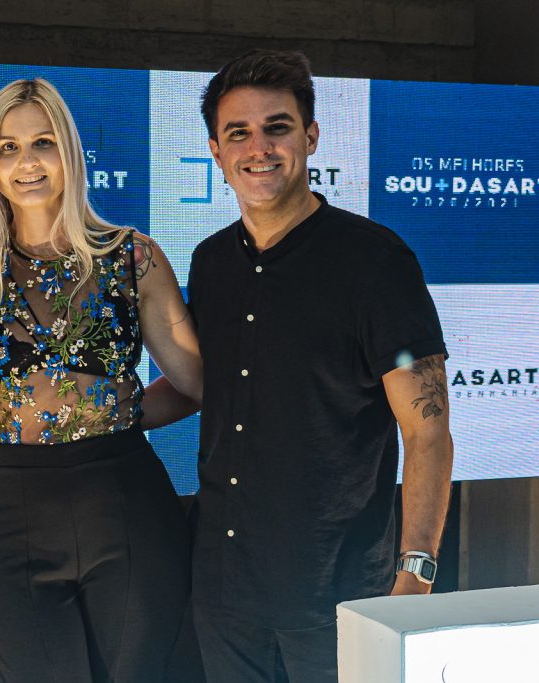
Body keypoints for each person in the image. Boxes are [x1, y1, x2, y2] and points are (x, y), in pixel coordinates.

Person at [186, 49, 455, 682]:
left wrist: (415, 577)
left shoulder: (376, 264)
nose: (260, 147)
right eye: (238, 133)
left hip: (338, 592)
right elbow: (203, 385)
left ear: (309, 136)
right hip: (225, 591)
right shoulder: (209, 262)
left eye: (277, 127)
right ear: (216, 151)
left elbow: (428, 430)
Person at [0, 78, 202, 683]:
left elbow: (195, 383)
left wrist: (112, 413)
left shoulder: (135, 257)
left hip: (128, 505)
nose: (26, 162)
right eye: (8, 147)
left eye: (43, 142)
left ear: (69, 153)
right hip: (15, 514)